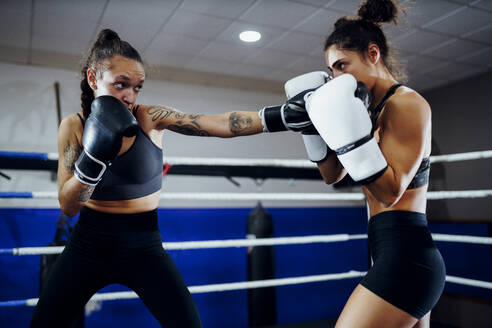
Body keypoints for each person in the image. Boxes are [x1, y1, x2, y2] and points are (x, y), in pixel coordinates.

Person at [30, 28, 321, 328]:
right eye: (120, 85)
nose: (130, 96)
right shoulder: (74, 126)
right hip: (88, 244)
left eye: (138, 87)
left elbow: (213, 123)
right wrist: (93, 159)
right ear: (93, 79)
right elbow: (68, 205)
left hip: (142, 245)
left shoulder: (150, 117)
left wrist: (279, 117)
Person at [286, 0, 446, 327]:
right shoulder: (365, 110)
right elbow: (332, 174)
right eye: (332, 70)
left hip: (407, 258)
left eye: (342, 66)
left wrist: (350, 136)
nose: (336, 78)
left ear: (373, 54)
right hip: (385, 250)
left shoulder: (406, 104)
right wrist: (312, 129)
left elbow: (389, 192)